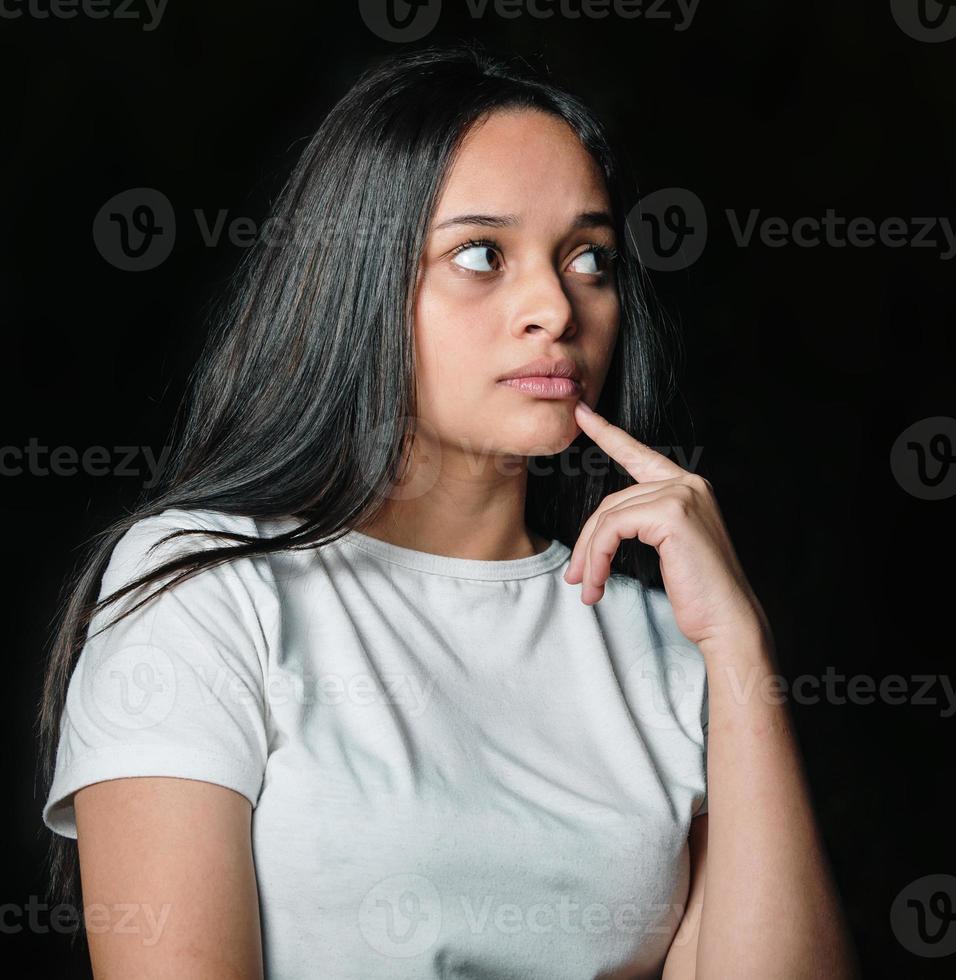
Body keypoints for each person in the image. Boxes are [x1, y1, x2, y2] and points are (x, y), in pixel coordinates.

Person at [36, 44, 854, 979]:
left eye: (589, 257)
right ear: (361, 283)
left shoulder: (670, 645)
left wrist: (742, 648)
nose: (555, 305)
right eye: (480, 255)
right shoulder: (206, 589)